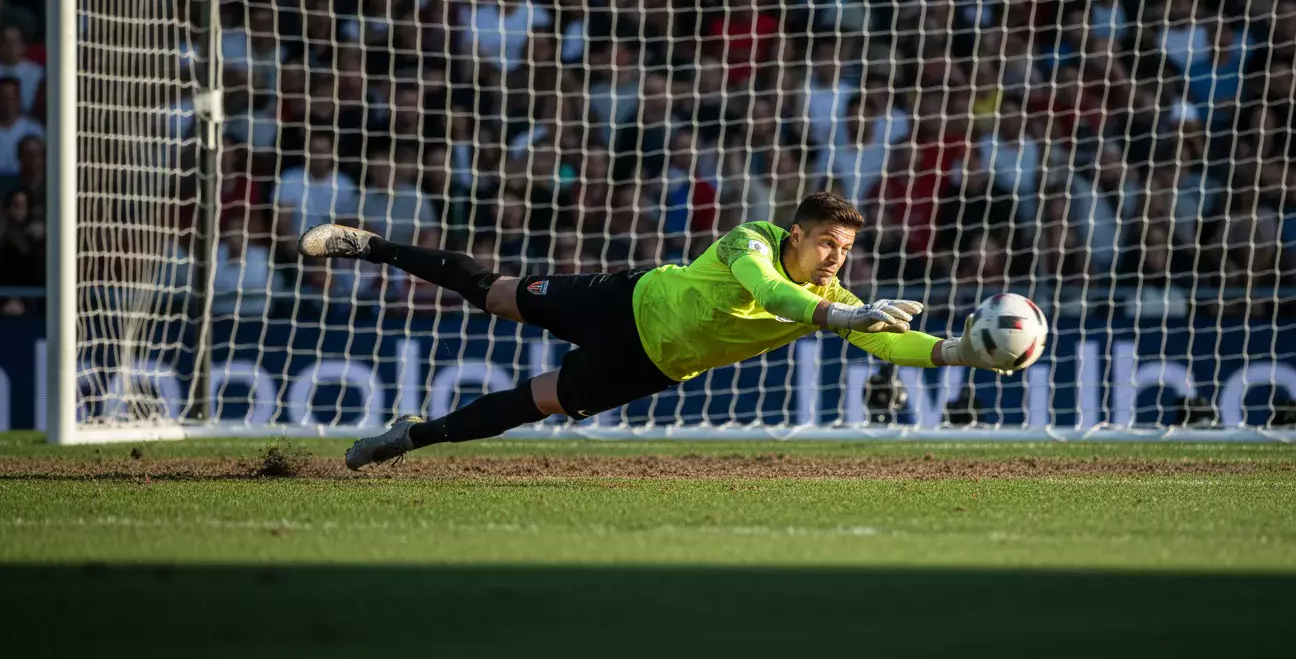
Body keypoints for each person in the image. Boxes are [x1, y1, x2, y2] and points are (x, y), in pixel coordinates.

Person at [299, 192, 1013, 470]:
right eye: (828, 242)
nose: (837, 258)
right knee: (495, 294)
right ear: (797, 233)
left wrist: (954, 353)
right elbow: (768, 292)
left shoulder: (833, 293)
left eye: (846, 249)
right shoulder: (751, 242)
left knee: (536, 402)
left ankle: (411, 436)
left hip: (653, 367)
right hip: (625, 302)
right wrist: (836, 314)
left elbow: (882, 340)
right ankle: (370, 246)